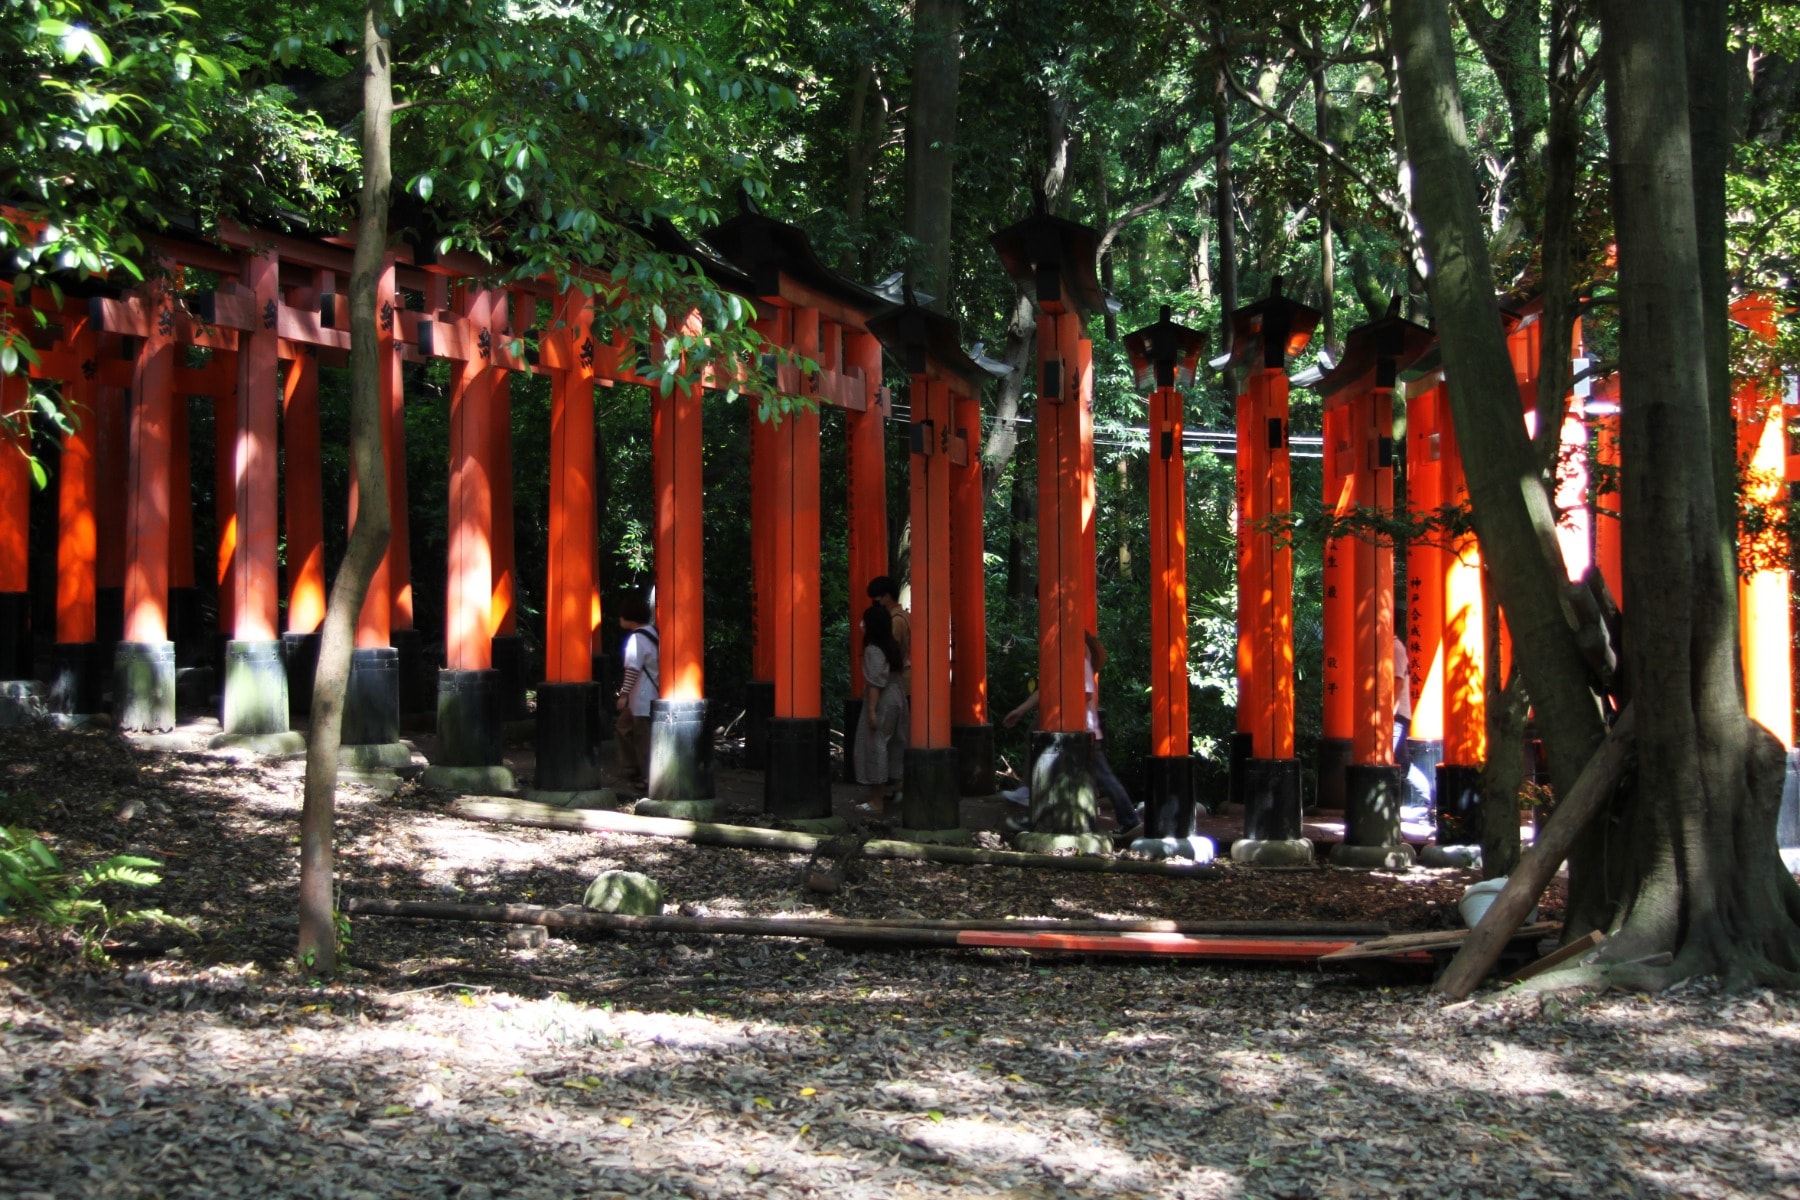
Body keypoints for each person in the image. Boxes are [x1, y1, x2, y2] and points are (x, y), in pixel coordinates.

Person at [1001, 630, 1142, 839]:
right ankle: (1129, 820)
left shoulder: (1078, 656)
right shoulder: (1063, 661)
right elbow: (1046, 689)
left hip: (1080, 729)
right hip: (1072, 729)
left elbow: (1085, 693)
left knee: (1081, 773)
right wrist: (1021, 710)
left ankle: (1129, 820)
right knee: (1069, 773)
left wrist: (1060, 713)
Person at [853, 602, 908, 816]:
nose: (862, 624)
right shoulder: (891, 646)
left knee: (875, 746)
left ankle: (876, 800)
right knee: (893, 744)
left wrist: (871, 711)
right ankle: (896, 789)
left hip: (883, 700)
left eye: (865, 621)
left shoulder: (873, 650)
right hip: (897, 697)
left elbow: (876, 683)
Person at [614, 591, 658, 791]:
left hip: (641, 697)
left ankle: (648, 776)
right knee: (623, 727)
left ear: (628, 617)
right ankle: (632, 767)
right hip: (646, 695)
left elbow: (632, 668)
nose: (620, 619)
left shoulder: (637, 638)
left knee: (642, 738)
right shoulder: (653, 632)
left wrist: (623, 694)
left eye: (621, 615)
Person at [866, 576, 911, 677]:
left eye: (876, 598)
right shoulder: (906, 616)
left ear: (887, 596)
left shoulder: (895, 621)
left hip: (900, 677)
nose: (874, 602)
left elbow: (889, 652)